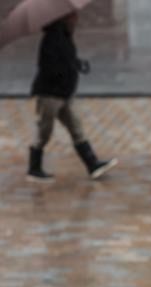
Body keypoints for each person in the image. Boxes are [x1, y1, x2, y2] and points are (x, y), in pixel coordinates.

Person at [27, 12, 117, 183]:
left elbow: (67, 59)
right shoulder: (51, 39)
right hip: (51, 95)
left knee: (76, 127)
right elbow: (48, 66)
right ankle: (34, 168)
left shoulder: (65, 37)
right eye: (73, 17)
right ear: (65, 19)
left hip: (64, 94)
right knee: (43, 132)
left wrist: (76, 64)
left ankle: (92, 164)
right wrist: (66, 71)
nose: (76, 20)